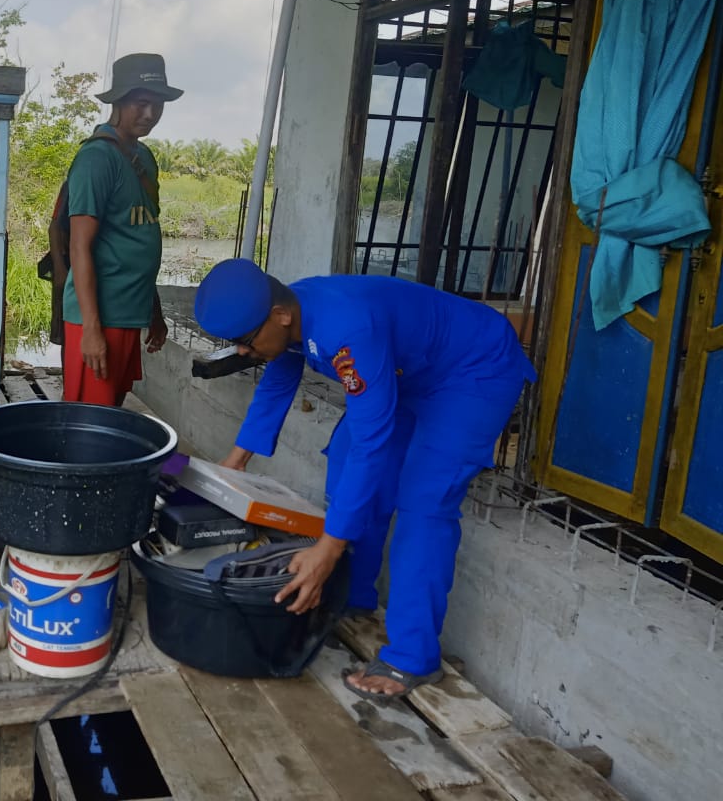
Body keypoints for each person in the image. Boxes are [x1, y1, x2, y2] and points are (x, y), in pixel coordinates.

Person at [193, 259, 536, 702]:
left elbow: (372, 444)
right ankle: (352, 597)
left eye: (245, 342)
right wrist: (235, 462)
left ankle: (412, 657)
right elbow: (278, 382)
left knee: (423, 502)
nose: (242, 352)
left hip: (472, 372)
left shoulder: (346, 327)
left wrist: (327, 548)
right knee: (344, 460)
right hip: (405, 372)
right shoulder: (289, 312)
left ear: (280, 317)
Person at [61, 53, 180, 406]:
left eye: (157, 105)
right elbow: (79, 247)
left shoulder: (144, 159)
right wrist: (92, 329)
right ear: (118, 102)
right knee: (88, 425)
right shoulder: (97, 158)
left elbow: (140, 238)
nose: (150, 115)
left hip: (131, 312)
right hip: (102, 315)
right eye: (141, 104)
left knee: (111, 416)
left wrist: (153, 312)